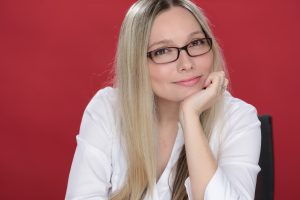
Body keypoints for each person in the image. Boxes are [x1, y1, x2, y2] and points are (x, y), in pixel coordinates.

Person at [65, 0, 261, 199]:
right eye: (162, 51)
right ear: (136, 63)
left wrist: (190, 117)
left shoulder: (238, 119)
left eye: (195, 43)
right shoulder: (107, 108)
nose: (186, 64)